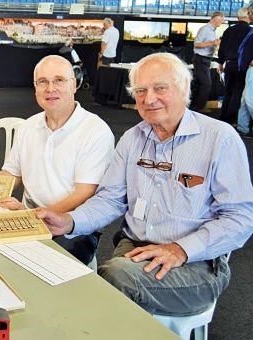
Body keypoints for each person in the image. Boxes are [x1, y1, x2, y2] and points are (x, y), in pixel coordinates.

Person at [37, 53, 253, 316]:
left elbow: (241, 218)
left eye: (160, 88)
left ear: (183, 87)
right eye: (140, 90)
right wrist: (69, 221)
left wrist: (181, 249)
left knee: (108, 283)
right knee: (100, 281)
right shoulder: (132, 139)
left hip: (197, 263)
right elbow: (110, 200)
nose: (149, 99)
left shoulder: (220, 139)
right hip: (133, 250)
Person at [0, 55, 115, 265]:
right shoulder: (29, 126)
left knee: (35, 266)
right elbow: (13, 176)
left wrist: (32, 216)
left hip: (72, 227)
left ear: (74, 85)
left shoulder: (96, 131)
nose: (50, 88)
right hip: (28, 216)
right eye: (43, 82)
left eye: (59, 80)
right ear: (35, 88)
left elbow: (85, 193)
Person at [217, 8, 251, 125]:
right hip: (242, 66)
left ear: (238, 18)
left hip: (229, 64)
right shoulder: (250, 31)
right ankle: (230, 119)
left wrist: (220, 63)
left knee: (228, 91)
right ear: (248, 16)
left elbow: (221, 49)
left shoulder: (228, 30)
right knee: (238, 92)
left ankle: (223, 116)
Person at [191, 12, 224, 111]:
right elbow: (196, 44)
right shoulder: (205, 29)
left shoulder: (213, 31)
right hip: (201, 59)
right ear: (216, 19)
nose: (222, 22)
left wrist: (215, 44)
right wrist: (212, 43)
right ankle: (200, 108)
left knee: (199, 84)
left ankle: (194, 106)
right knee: (206, 84)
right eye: (222, 20)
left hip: (205, 59)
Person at [236, 5, 253, 137]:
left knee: (249, 98)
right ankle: (243, 128)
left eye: (250, 12)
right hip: (248, 68)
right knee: (244, 99)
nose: (249, 15)